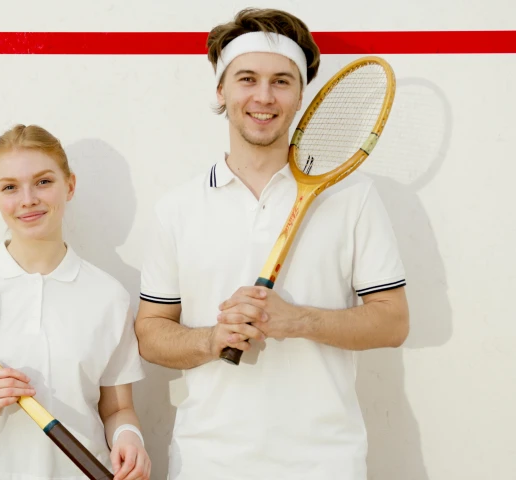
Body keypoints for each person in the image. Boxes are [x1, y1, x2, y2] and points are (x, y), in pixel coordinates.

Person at [135, 8, 409, 480]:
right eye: (247, 78)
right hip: (209, 463)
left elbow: (393, 322)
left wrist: (296, 319)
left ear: (301, 93)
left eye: (282, 81)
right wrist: (209, 339)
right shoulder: (177, 208)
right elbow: (150, 332)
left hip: (326, 463)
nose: (263, 97)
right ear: (221, 90)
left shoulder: (353, 197)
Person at [0, 124, 152, 480]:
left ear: (70, 185)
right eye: (10, 187)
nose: (28, 199)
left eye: (43, 182)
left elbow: (118, 409)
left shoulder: (108, 295)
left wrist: (131, 439)